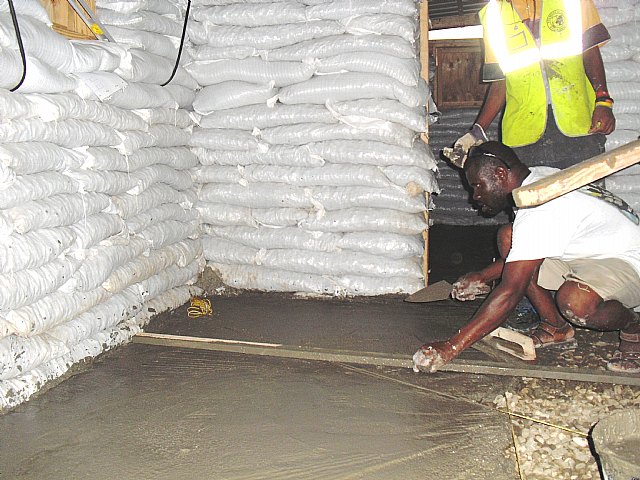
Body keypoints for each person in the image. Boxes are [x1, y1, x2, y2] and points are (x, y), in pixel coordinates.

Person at [413, 142, 640, 374]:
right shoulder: (538, 178)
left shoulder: (539, 208)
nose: (475, 196)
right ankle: (556, 327)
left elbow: (511, 290)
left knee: (575, 302)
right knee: (508, 237)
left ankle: (634, 325)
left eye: (478, 185)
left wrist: (450, 347)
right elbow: (525, 254)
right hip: (590, 252)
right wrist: (482, 275)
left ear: (500, 174)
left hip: (628, 261)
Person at [448, 0, 616, 169]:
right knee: (533, 194)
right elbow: (500, 82)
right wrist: (477, 131)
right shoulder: (493, 15)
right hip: (524, 138)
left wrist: (603, 101)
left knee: (586, 194)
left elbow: (590, 50)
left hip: (578, 128)